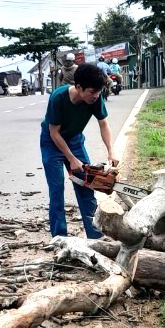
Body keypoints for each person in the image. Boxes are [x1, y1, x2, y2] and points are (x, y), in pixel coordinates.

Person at [40, 63, 117, 239]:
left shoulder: (96, 99)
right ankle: (60, 239)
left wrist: (111, 151)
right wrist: (71, 159)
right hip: (52, 142)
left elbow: (103, 124)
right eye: (92, 91)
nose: (96, 95)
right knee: (56, 189)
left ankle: (95, 237)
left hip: (74, 140)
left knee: (86, 186)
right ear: (79, 87)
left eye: (98, 91)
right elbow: (54, 132)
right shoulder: (58, 98)